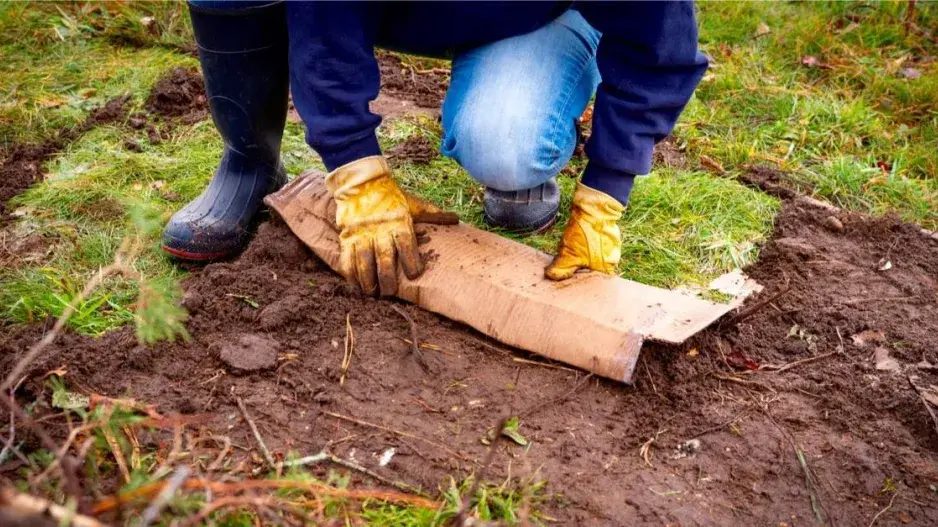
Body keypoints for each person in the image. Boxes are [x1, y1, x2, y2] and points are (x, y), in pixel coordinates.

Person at [163, 1, 708, 297]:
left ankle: (524, 138)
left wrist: (606, 194)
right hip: (403, 10)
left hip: (534, 15)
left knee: (506, 145)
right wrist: (355, 168)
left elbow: (659, 44)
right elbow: (324, 20)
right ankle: (250, 161)